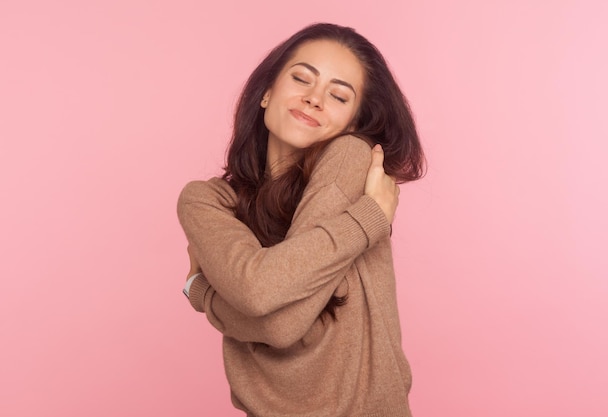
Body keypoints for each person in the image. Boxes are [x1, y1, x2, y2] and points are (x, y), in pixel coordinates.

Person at [178, 23, 425, 417]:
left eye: (338, 95)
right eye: (301, 78)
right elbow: (263, 296)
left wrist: (202, 290)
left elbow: (278, 323)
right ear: (266, 93)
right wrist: (367, 220)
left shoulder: (350, 157)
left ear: (351, 122)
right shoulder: (206, 201)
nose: (314, 99)